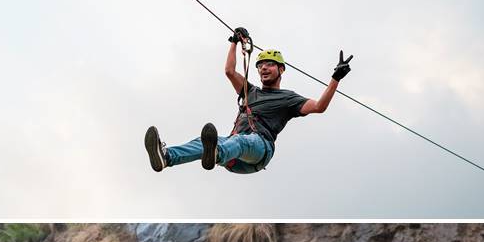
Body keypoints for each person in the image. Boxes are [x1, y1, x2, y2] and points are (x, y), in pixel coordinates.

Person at [144, 27, 353, 174]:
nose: (263, 68)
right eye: (261, 66)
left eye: (269, 64)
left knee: (239, 141)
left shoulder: (288, 98)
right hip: (233, 157)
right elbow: (229, 71)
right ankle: (167, 157)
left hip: (259, 150)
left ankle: (217, 153)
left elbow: (319, 107)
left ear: (281, 69)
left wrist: (336, 78)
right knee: (203, 142)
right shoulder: (250, 91)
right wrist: (235, 42)